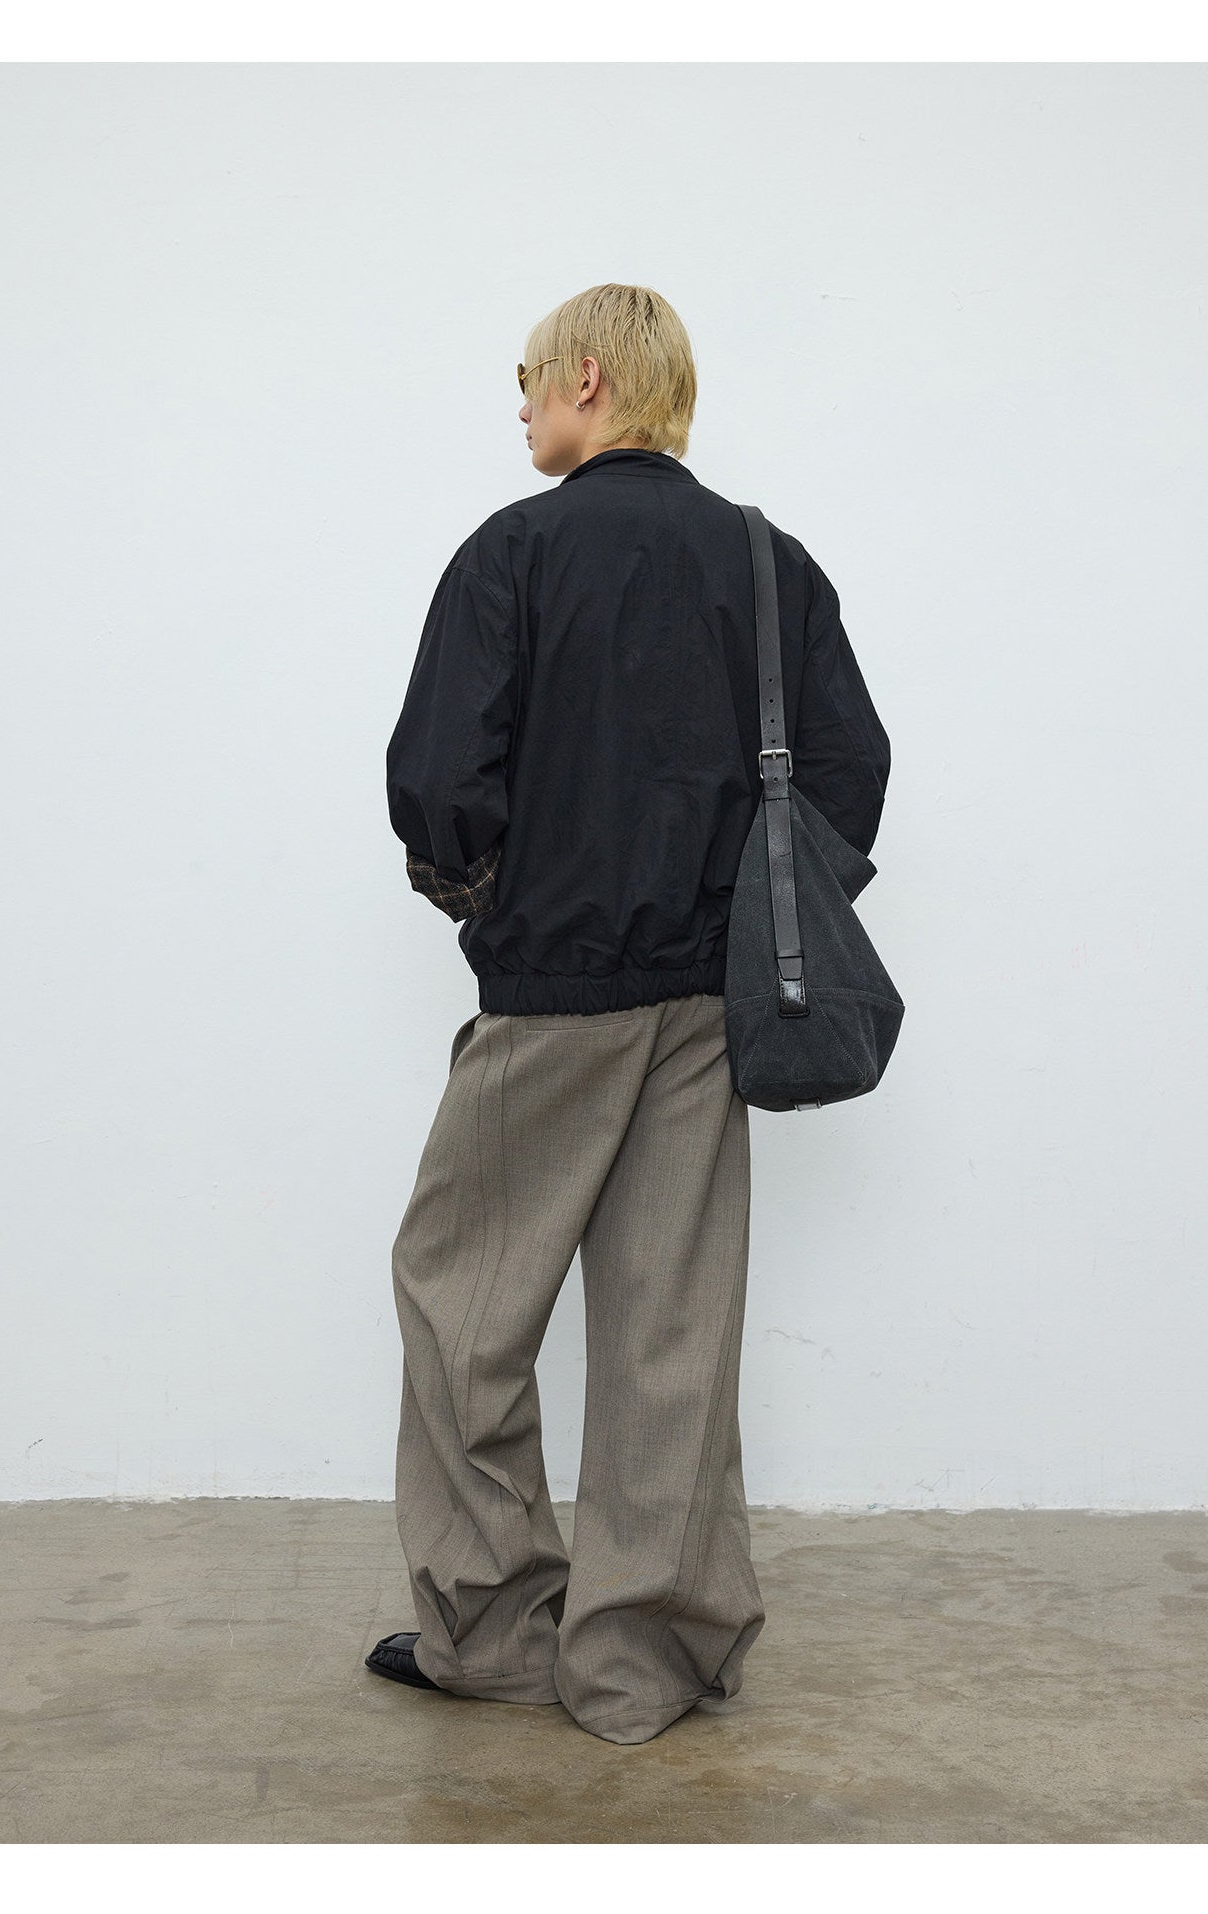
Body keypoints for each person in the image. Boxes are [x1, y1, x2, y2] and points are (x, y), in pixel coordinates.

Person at [369, 283, 890, 1745]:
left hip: (551, 997)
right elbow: (849, 768)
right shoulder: (769, 562)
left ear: (589, 378)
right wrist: (739, 920)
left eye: (531, 378)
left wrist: (489, 899)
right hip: (710, 1010)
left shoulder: (514, 552)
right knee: (672, 1334)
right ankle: (640, 1663)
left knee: (460, 1307)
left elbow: (439, 781)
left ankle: (492, 1630)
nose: (522, 405)